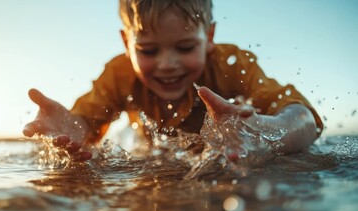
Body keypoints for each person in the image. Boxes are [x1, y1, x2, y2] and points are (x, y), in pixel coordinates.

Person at [23, 0, 323, 161]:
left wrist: (265, 132)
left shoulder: (232, 64)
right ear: (127, 43)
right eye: (148, 50)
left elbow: (303, 116)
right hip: (153, 153)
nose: (167, 64)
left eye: (185, 47)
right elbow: (85, 125)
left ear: (209, 38)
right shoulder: (120, 74)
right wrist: (71, 129)